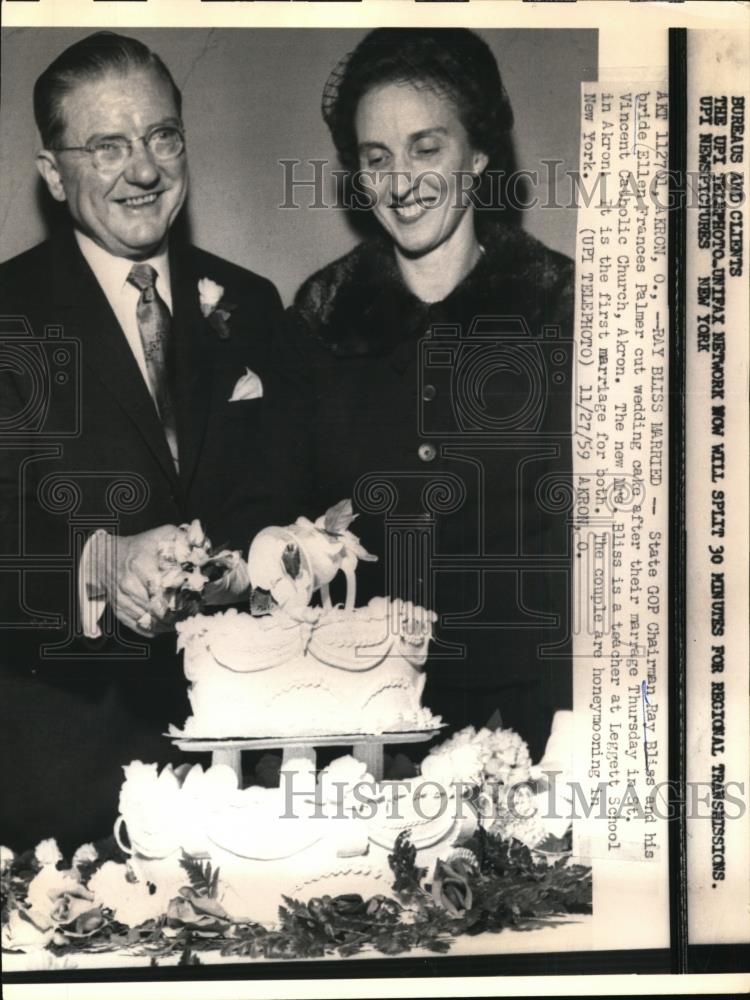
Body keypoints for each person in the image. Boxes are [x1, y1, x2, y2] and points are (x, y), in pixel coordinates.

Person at [0, 32, 300, 853]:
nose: (144, 170)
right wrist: (100, 566)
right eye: (108, 146)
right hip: (61, 790)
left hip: (249, 775)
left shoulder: (252, 303)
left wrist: (255, 561)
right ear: (54, 173)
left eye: (162, 136)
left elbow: (289, 496)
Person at [285, 28, 574, 760]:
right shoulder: (318, 320)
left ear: (478, 154)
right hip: (364, 733)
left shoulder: (565, 309)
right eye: (375, 159)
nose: (400, 181)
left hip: (542, 724)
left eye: (426, 148)